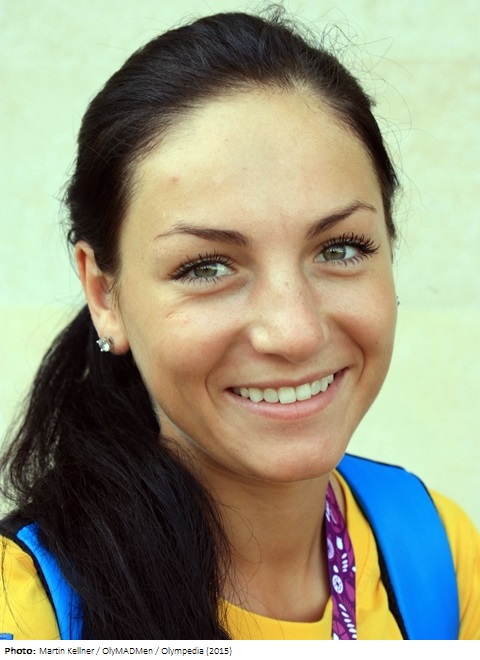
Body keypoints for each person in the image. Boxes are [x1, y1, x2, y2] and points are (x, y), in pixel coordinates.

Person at [0, 9, 478, 641]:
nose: (295, 332)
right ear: (104, 294)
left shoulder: (438, 556)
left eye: (340, 248)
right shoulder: (23, 610)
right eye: (206, 266)